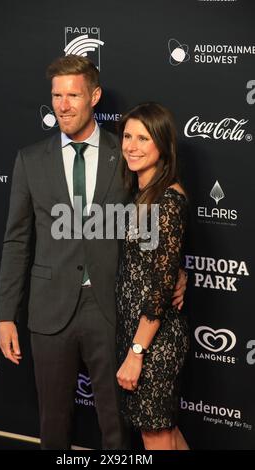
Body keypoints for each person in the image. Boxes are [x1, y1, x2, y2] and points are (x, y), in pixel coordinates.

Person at [0, 55, 187, 450]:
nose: (63, 105)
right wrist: (4, 316)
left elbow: (158, 216)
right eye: (56, 95)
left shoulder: (129, 155)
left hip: (111, 308)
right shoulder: (30, 160)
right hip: (49, 311)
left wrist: (179, 272)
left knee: (116, 425)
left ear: (94, 96)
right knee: (53, 424)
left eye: (73, 95)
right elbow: (16, 241)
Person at [116, 102, 190, 450]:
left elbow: (161, 288)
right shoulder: (144, 195)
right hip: (144, 337)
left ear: (162, 145)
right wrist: (179, 270)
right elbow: (158, 264)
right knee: (166, 433)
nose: (131, 145)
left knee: (156, 435)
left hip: (153, 342)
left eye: (143, 138)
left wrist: (136, 351)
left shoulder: (166, 202)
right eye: (127, 136)